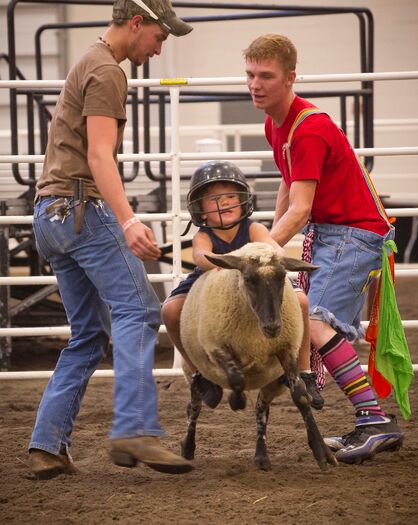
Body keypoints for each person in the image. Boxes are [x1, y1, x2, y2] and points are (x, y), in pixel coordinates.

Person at [28, 0, 194, 480]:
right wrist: (126, 221)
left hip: (51, 214)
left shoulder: (89, 62)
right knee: (140, 310)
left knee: (88, 335)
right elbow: (100, 155)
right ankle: (136, 428)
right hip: (81, 207)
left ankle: (47, 445)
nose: (159, 50)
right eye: (159, 38)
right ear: (137, 24)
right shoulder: (107, 71)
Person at [244, 33, 404, 463]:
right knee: (311, 318)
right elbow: (288, 183)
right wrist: (270, 241)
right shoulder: (278, 123)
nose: (255, 84)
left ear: (290, 77)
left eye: (266, 76)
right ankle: (369, 420)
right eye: (250, 74)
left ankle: (374, 421)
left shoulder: (309, 128)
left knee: (312, 320)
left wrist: (259, 251)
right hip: (340, 231)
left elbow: (300, 209)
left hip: (353, 232)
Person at [162, 160, 324, 410]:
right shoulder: (203, 235)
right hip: (213, 281)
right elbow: (201, 258)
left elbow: (271, 248)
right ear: (200, 210)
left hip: (260, 278)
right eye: (214, 199)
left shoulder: (254, 228)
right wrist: (234, 261)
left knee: (301, 301)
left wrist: (261, 258)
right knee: (170, 311)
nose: (224, 202)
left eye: (230, 196)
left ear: (243, 200)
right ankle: (198, 374)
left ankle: (304, 371)